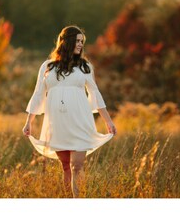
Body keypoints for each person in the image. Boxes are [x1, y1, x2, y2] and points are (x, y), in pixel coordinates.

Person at [22, 26, 116, 198]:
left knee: (76, 166)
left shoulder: (85, 67)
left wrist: (108, 121)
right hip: (57, 123)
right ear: (67, 41)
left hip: (80, 121)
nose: (80, 44)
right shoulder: (47, 67)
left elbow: (95, 94)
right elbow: (38, 94)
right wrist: (29, 121)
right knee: (66, 166)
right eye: (77, 41)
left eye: (82, 42)